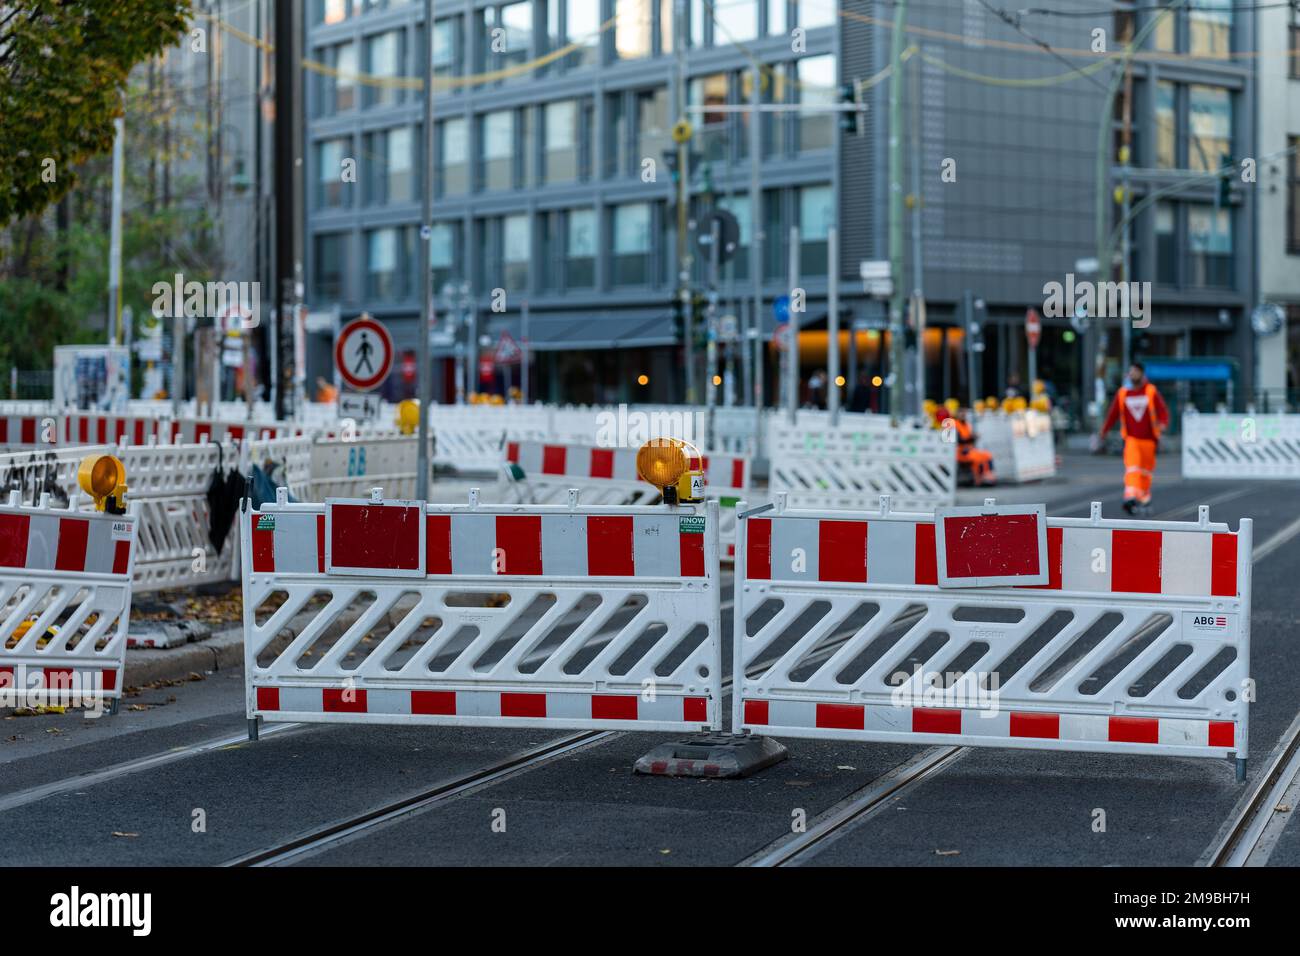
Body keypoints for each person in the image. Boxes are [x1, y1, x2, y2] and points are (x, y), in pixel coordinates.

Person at [1096, 361, 1169, 514]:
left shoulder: (1150, 391)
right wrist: (1104, 431)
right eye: (1131, 372)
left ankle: (1144, 498)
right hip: (1132, 439)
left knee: (1146, 472)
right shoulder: (1123, 393)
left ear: (1142, 374)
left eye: (1135, 372)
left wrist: (1163, 424)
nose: (1132, 374)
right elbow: (1112, 414)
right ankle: (1130, 496)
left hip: (1149, 440)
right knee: (1133, 468)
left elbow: (1162, 411)